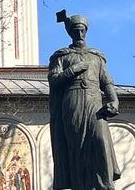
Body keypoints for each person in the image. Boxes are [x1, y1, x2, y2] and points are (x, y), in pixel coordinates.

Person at [48, 10, 121, 190]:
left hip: (94, 104)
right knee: (76, 147)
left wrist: (114, 100)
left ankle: (105, 186)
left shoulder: (96, 57)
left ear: (86, 31)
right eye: (75, 31)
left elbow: (107, 81)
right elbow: (54, 80)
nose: (79, 34)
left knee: (100, 141)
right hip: (72, 103)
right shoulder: (61, 56)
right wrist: (74, 69)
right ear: (70, 33)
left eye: (82, 31)